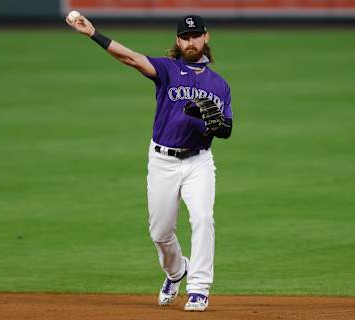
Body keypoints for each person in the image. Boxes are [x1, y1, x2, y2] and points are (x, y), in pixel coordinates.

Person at [66, 14, 233, 312]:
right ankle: (176, 271)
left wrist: (210, 123)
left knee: (203, 219)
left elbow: (227, 130)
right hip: (162, 161)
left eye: (195, 36)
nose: (190, 41)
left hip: (199, 162)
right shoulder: (167, 69)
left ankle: (199, 289)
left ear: (205, 37)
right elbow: (129, 58)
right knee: (160, 233)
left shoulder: (219, 85)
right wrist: (94, 34)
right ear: (178, 41)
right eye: (184, 37)